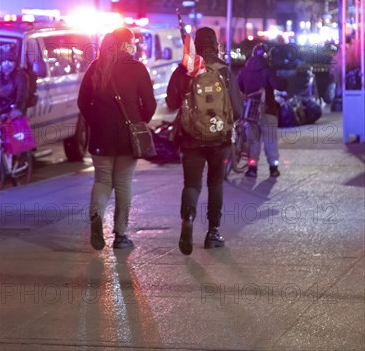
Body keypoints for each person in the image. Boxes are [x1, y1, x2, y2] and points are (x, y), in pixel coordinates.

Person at [77, 28, 157, 251]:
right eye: (131, 41)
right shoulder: (137, 69)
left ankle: (96, 217)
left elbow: (82, 102)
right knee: (123, 184)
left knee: (102, 181)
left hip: (101, 137)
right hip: (127, 138)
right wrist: (139, 121)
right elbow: (150, 104)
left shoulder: (95, 67)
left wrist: (95, 122)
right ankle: (121, 235)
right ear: (125, 44)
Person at [166, 27, 242, 255]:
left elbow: (170, 102)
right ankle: (213, 232)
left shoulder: (185, 70)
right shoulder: (225, 71)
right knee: (215, 183)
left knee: (191, 184)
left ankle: (188, 218)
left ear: (196, 45)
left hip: (191, 138)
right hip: (220, 139)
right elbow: (237, 109)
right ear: (215, 44)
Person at [237, 42, 287, 178]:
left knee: (253, 141)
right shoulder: (268, 70)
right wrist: (283, 80)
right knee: (270, 140)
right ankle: (273, 167)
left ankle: (252, 168)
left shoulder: (244, 70)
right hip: (268, 110)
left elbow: (239, 87)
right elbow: (279, 85)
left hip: (250, 112)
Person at [0, 44, 29, 120]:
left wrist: (16, 109)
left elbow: (22, 95)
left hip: (11, 113)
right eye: (4, 61)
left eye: (10, 61)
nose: (7, 64)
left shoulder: (20, 76)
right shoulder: (0, 75)